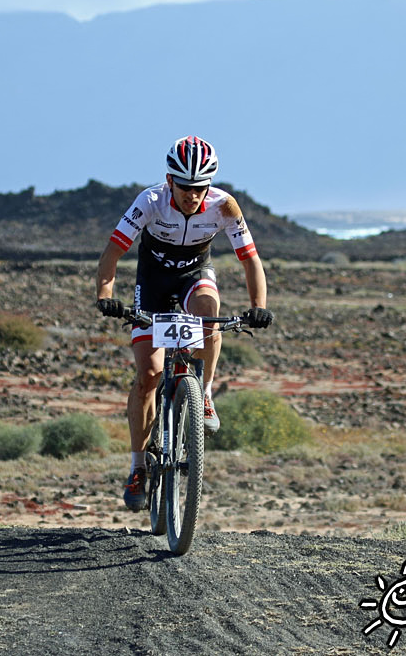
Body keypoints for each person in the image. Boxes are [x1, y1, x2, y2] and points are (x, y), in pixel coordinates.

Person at [95, 135, 274, 511]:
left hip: (196, 274)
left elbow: (250, 260)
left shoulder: (224, 205)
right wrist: (105, 296)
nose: (193, 195)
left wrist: (258, 306)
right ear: (169, 179)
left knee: (210, 311)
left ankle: (203, 394)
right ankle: (138, 467)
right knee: (149, 375)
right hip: (153, 282)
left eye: (199, 187)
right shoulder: (150, 202)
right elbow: (114, 250)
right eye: (185, 187)